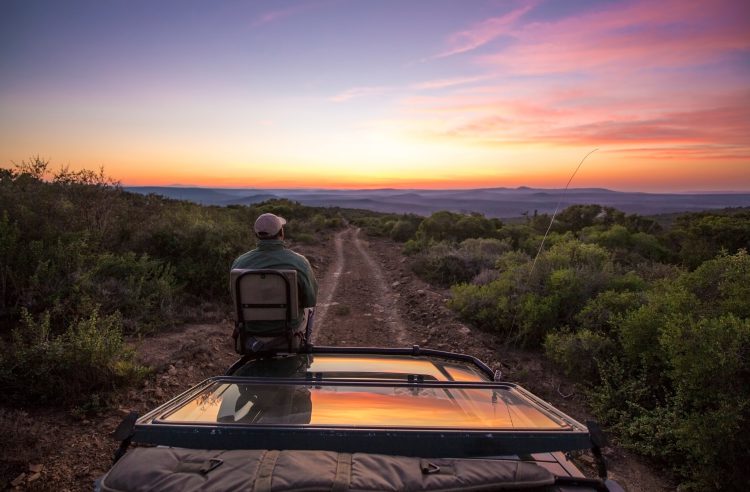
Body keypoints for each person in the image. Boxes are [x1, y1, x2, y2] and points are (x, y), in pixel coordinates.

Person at [231, 213, 318, 349]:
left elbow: (234, 298)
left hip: (251, 337)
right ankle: (306, 345)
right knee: (311, 309)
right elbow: (310, 300)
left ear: (257, 235)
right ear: (281, 233)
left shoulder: (239, 263)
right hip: (287, 336)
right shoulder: (299, 262)